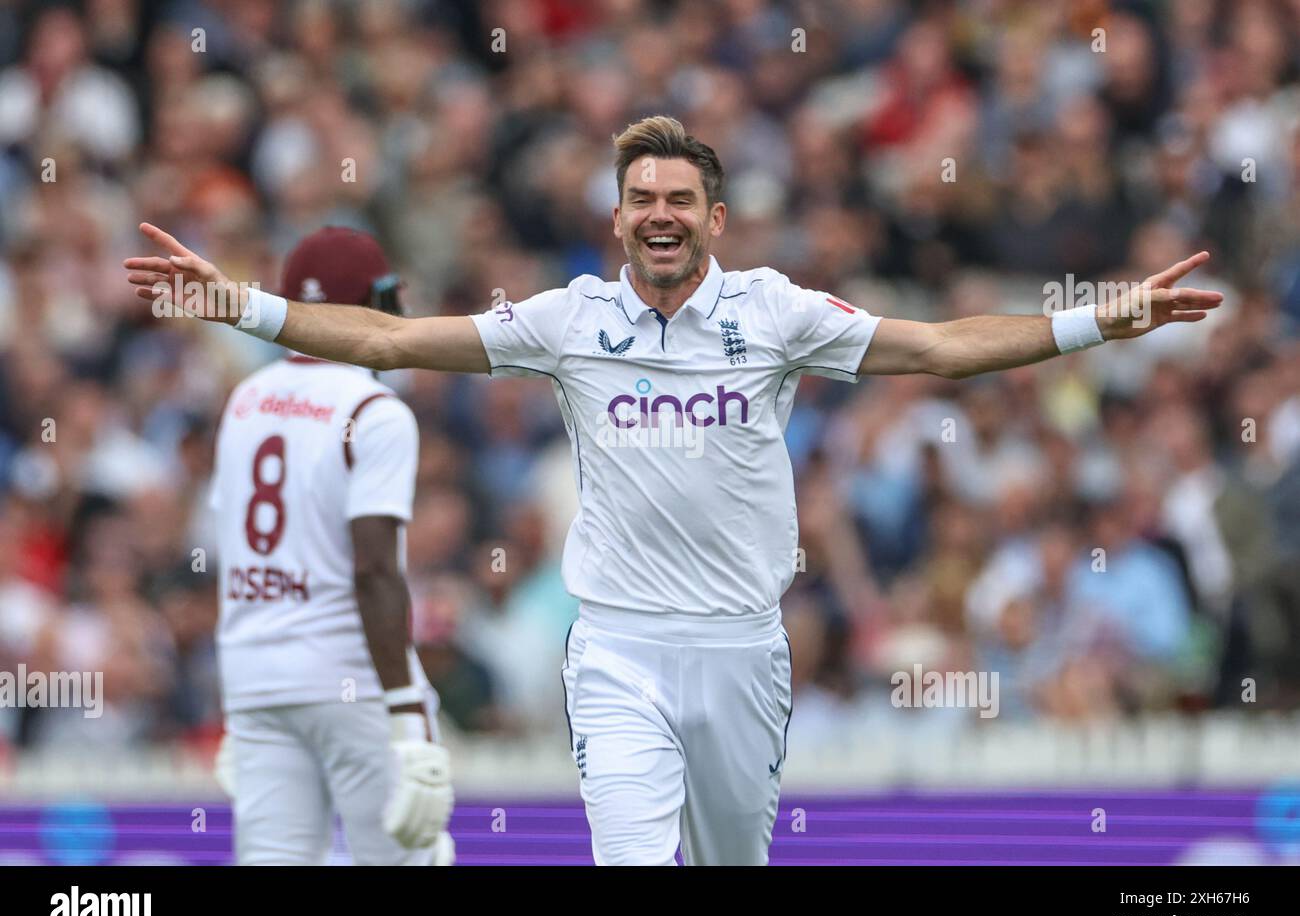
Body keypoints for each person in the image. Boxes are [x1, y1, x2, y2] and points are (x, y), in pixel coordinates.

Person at [125, 115, 1224, 865]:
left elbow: (939, 347)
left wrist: (1097, 318)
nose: (659, 213)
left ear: (715, 218)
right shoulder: (567, 321)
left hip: (743, 647)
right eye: (641, 196)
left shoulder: (775, 312)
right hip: (616, 649)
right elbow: (392, 333)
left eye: (680, 198)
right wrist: (242, 304)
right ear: (616, 219)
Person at [205, 227, 454, 865]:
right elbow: (374, 571)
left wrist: (234, 701)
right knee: (405, 859)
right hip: (348, 673)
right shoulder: (373, 409)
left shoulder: (244, 399)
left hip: (256, 674)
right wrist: (404, 707)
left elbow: (233, 553)